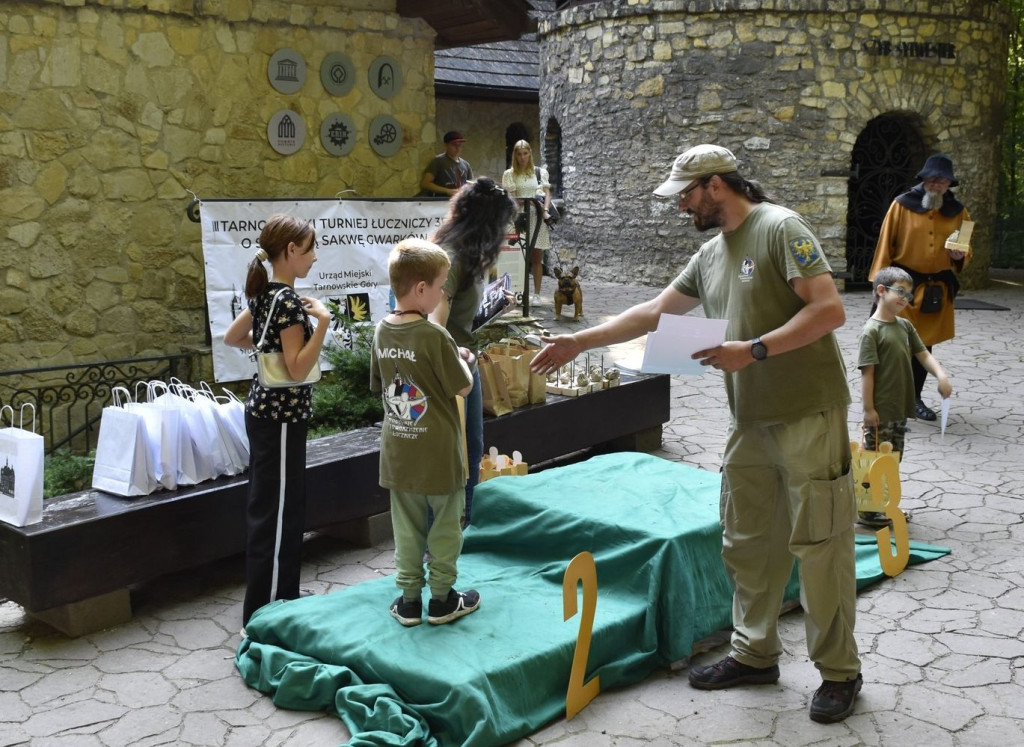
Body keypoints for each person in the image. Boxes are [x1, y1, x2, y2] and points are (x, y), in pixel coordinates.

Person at [530, 144, 863, 724]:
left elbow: (829, 310)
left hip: (808, 413)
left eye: (686, 194)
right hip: (749, 421)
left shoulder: (780, 228)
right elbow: (658, 312)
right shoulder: (709, 254)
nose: (681, 205)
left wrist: (754, 349)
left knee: (821, 548)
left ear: (715, 185)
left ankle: (839, 673)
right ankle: (755, 654)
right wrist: (580, 341)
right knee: (747, 542)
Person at [223, 215, 330, 629]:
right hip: (282, 418)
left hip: (264, 412)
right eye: (309, 249)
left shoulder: (265, 292)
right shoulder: (287, 301)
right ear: (290, 251)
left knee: (274, 506)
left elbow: (234, 338)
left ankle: (280, 595)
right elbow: (299, 369)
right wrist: (322, 321)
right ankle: (266, 610)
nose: (314, 257)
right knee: (280, 510)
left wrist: (267, 345)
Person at [371, 238, 480, 626]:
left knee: (406, 529)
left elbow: (387, 382)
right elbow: (462, 386)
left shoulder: (382, 331)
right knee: (446, 528)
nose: (442, 295)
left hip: (400, 453)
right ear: (421, 289)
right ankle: (442, 599)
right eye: (440, 286)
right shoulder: (436, 335)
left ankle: (410, 600)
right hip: (438, 453)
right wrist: (463, 358)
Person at [429, 177, 517, 526]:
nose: (506, 232)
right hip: (451, 370)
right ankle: (450, 535)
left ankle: (458, 530)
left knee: (470, 451)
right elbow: (433, 326)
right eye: (503, 224)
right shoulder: (450, 258)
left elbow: (456, 319)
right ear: (487, 222)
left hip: (463, 360)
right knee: (458, 455)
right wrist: (454, 360)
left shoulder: (467, 253)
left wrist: (491, 310)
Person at [868, 153, 971, 422]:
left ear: (949, 184)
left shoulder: (960, 212)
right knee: (893, 343)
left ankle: (913, 399)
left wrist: (960, 256)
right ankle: (884, 398)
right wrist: (881, 286)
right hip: (900, 286)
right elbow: (884, 245)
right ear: (924, 179)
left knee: (923, 346)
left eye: (943, 181)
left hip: (936, 290)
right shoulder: (901, 205)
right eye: (933, 179)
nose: (937, 185)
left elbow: (964, 249)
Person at [857, 266, 952, 526]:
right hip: (880, 411)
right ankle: (868, 510)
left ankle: (884, 505)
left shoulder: (905, 326)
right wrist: (868, 410)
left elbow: (924, 355)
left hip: (899, 410)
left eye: (908, 295)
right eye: (900, 292)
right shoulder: (871, 331)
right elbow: (868, 373)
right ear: (881, 290)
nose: (905, 299)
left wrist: (941, 376)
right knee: (875, 458)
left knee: (892, 458)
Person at [502, 139, 554, 305]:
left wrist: (544, 211)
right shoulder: (509, 174)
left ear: (530, 153)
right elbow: (509, 198)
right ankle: (516, 293)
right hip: (517, 218)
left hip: (537, 217)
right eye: (519, 154)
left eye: (525, 153)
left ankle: (536, 294)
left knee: (537, 257)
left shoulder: (539, 172)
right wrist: (525, 200)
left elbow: (547, 194)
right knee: (517, 254)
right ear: (515, 155)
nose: (522, 157)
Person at [418, 131, 473, 197]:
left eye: (459, 145)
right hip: (441, 203)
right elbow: (425, 183)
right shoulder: (438, 161)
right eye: (454, 145)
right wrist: (447, 191)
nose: (457, 148)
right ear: (446, 145)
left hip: (460, 203)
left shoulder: (466, 165)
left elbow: (470, 186)